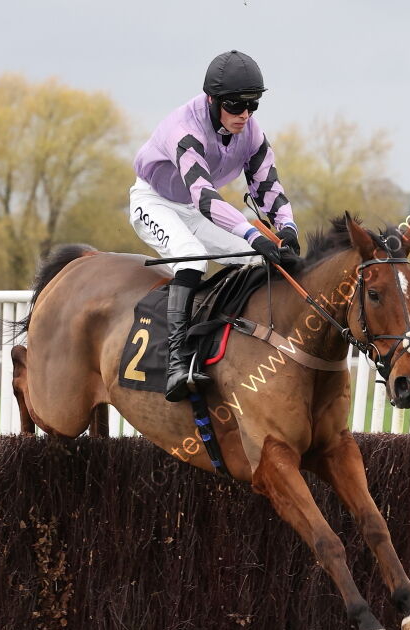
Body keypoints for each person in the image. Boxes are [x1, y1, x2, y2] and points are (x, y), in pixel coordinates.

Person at [130, 49, 303, 402]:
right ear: (212, 100)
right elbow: (205, 198)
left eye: (252, 105)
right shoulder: (185, 130)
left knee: (259, 261)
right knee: (192, 258)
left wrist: (287, 228)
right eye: (236, 106)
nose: (245, 115)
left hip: (195, 209)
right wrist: (253, 234)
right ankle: (176, 362)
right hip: (155, 201)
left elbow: (268, 186)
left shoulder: (252, 133)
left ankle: (232, 343)